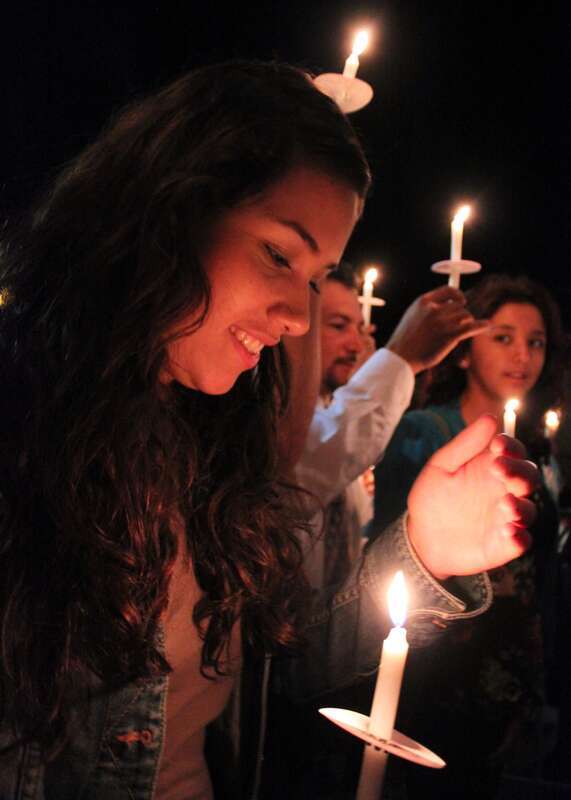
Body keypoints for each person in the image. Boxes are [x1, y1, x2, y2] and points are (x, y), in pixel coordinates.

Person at [0, 63, 537, 800]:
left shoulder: (214, 446)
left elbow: (280, 663)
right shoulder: (24, 439)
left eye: (315, 278)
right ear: (166, 210)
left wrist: (425, 552)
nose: (295, 315)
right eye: (277, 254)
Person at [369, 273, 564, 798]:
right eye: (503, 337)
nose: (521, 354)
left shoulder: (538, 452)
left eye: (535, 341)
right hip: (440, 674)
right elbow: (393, 553)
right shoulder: (427, 434)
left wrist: (528, 684)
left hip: (508, 674)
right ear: (463, 351)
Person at [296, 263, 489, 587]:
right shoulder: (275, 430)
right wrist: (402, 357)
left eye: (359, 329)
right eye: (338, 325)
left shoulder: (332, 414)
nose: (356, 345)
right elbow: (307, 475)